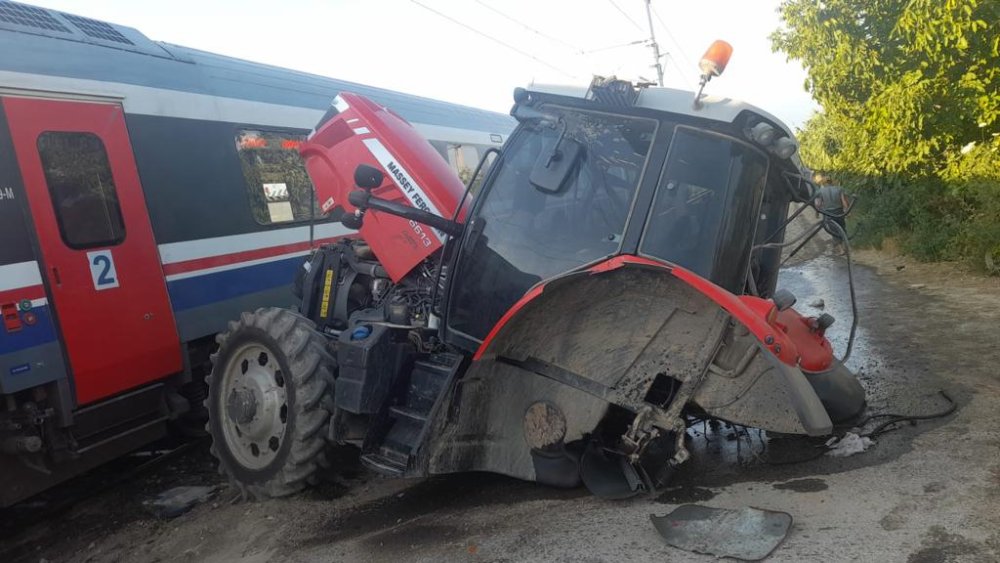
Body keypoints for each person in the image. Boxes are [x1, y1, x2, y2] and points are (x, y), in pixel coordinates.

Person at [813, 173, 850, 254]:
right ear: (832, 182)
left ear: (823, 183)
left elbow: (818, 204)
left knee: (834, 231)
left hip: (828, 214)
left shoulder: (820, 191)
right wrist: (847, 212)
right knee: (842, 228)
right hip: (839, 212)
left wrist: (817, 213)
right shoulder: (839, 189)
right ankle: (845, 246)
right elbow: (844, 202)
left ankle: (841, 250)